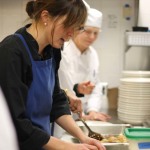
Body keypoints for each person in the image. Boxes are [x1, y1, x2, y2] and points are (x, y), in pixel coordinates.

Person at [0, 1, 106, 150]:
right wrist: (68, 147)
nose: (71, 34)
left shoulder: (52, 50)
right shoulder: (12, 52)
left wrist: (82, 137)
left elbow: (56, 100)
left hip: (44, 143)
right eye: (68, 25)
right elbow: (16, 123)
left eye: (76, 28)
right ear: (46, 17)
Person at [59, 8, 111, 121]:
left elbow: (96, 86)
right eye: (87, 31)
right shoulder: (63, 51)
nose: (92, 37)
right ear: (77, 29)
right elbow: (62, 88)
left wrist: (92, 111)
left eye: (96, 33)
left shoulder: (92, 54)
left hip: (85, 116)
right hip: (64, 117)